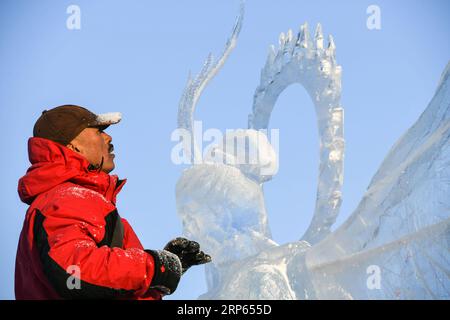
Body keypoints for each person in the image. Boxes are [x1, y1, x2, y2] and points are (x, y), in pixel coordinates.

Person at [15, 104, 211, 299]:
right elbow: (72, 273)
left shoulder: (76, 200)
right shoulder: (69, 198)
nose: (108, 137)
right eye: (99, 131)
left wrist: (160, 277)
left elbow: (96, 286)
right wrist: (152, 267)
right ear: (73, 144)